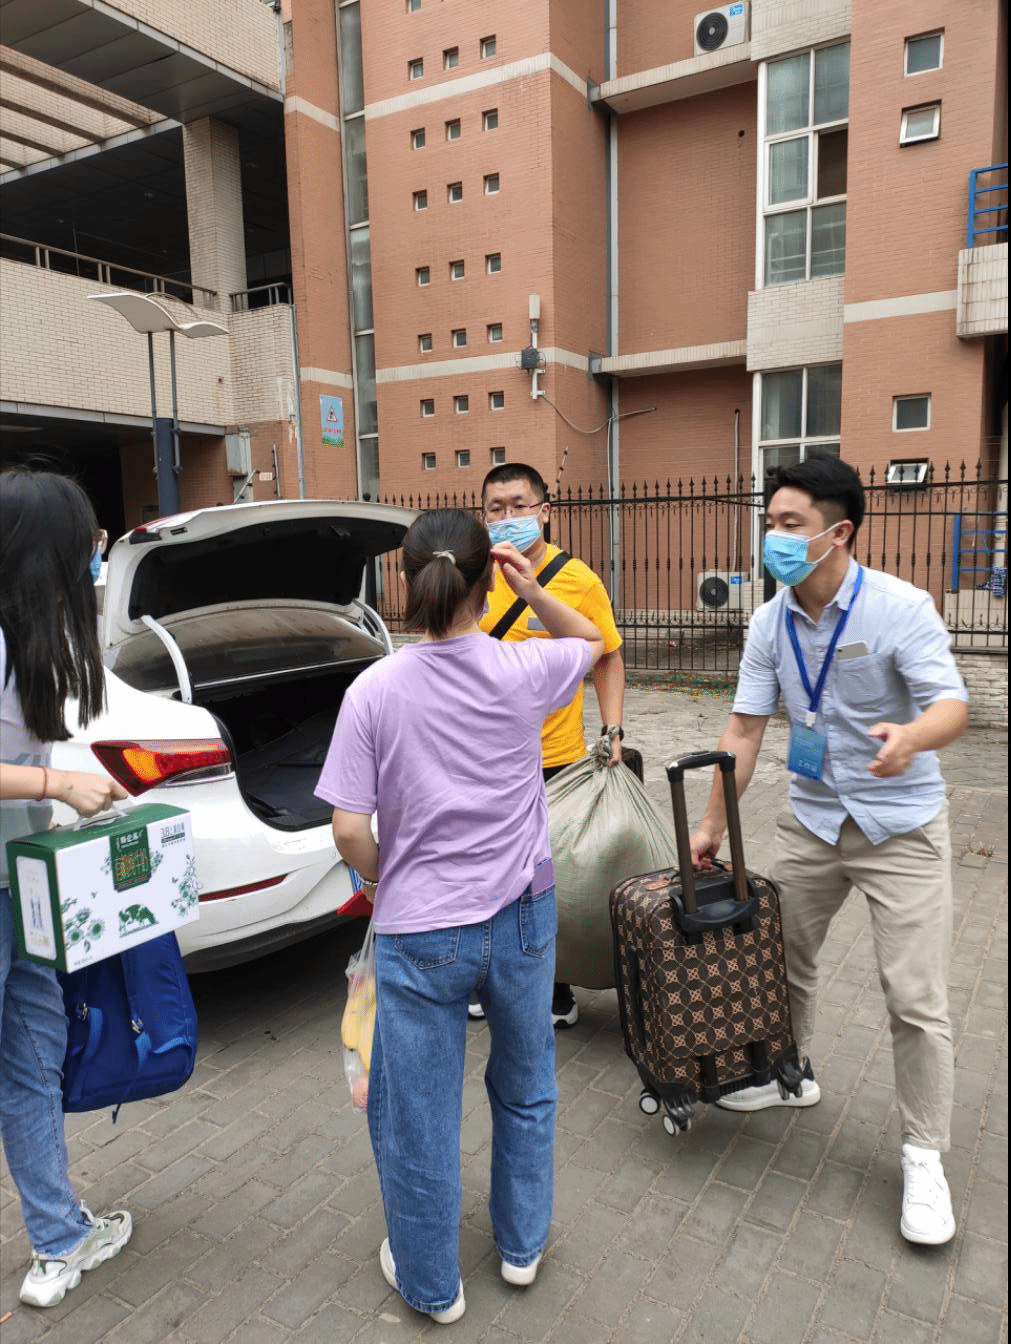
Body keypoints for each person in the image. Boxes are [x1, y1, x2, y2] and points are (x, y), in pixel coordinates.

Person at [315, 508, 603, 1324]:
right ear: (487, 579)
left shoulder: (373, 689)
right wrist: (531, 589)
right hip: (522, 916)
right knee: (526, 1084)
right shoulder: (523, 668)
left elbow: (348, 830)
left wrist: (389, 878)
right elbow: (591, 639)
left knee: (419, 1113)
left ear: (405, 578)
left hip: (421, 930)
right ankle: (521, 1247)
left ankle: (432, 1286)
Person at [688, 456, 968, 1247]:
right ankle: (789, 1073)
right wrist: (710, 825)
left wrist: (911, 736)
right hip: (811, 820)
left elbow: (952, 703)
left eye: (790, 524)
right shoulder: (768, 623)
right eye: (769, 521)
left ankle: (923, 1154)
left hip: (899, 827)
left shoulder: (898, 608)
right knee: (780, 964)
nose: (772, 537)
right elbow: (744, 730)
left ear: (837, 532)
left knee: (914, 997)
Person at [0, 466, 133, 1308]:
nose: (96, 555)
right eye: (87, 541)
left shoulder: (29, 636)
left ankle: (59, 1238)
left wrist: (69, 790)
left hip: (19, 889)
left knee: (32, 1061)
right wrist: (57, 786)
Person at [477, 462, 625, 1027]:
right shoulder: (474, 574)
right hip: (485, 757)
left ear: (544, 511)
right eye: (496, 509)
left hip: (554, 757)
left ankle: (555, 986)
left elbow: (608, 656)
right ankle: (488, 975)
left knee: (544, 876)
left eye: (519, 506)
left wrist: (613, 730)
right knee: (491, 870)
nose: (508, 517)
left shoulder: (577, 580)